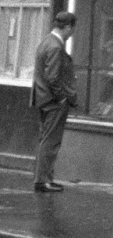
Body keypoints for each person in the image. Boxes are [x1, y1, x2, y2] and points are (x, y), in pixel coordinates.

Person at [32, 11, 78, 192]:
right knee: (51, 141)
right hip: (53, 101)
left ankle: (44, 178)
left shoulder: (46, 41)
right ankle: (42, 180)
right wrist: (62, 98)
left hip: (43, 98)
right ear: (67, 27)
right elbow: (53, 77)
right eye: (72, 29)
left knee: (45, 139)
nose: (73, 32)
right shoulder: (55, 47)